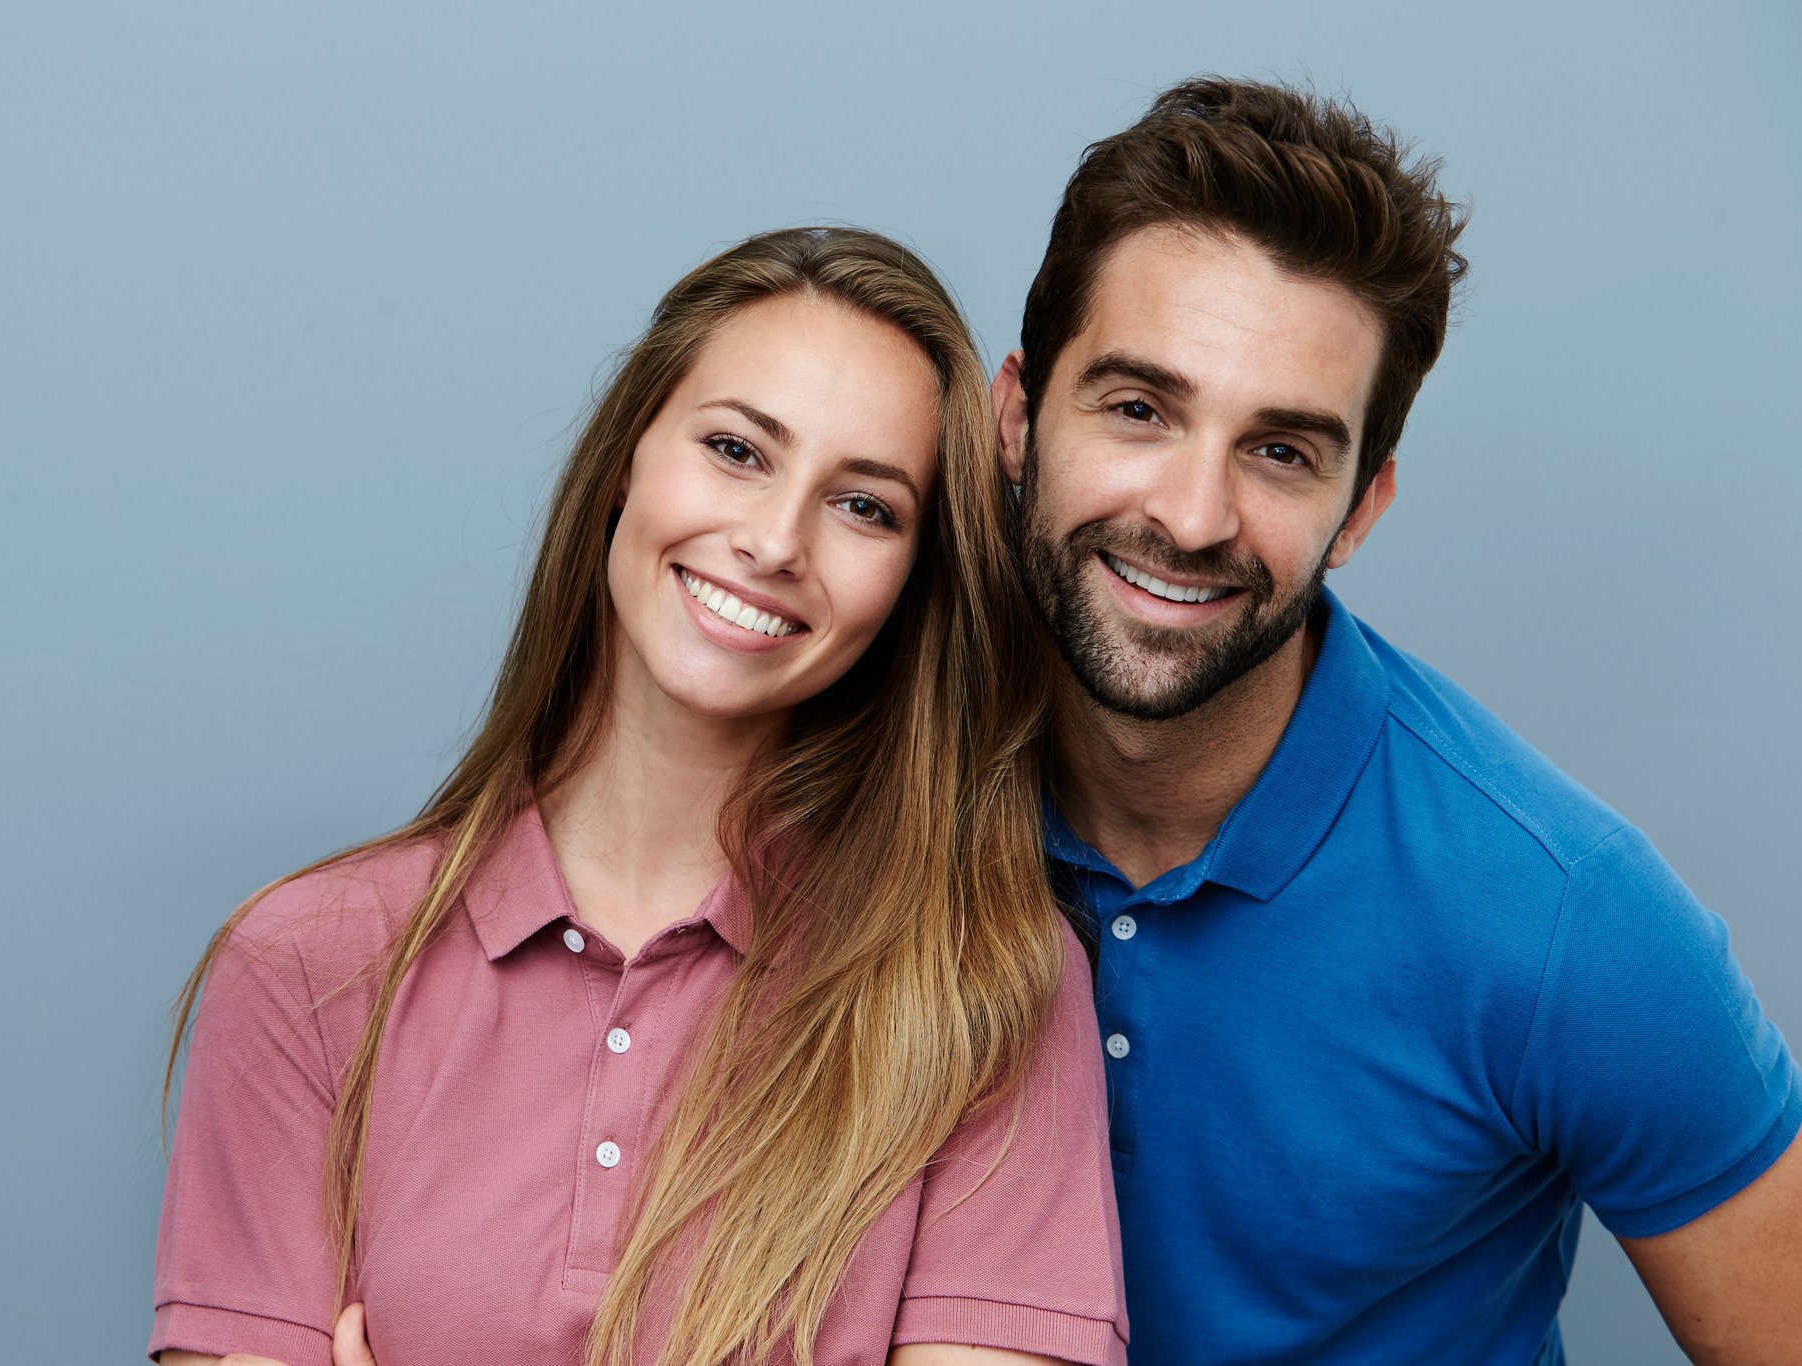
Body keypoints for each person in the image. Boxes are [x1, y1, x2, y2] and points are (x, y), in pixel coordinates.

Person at [149, 227, 1129, 1366]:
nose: (771, 540)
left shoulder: (984, 992)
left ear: (911, 586)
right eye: (734, 448)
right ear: (627, 458)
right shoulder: (305, 967)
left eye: (865, 507)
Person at [992, 77, 1802, 1363]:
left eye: (1281, 452)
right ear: (1018, 420)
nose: (1193, 516)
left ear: (1361, 508)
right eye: (1140, 410)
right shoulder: (885, 787)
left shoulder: (1562, 918)